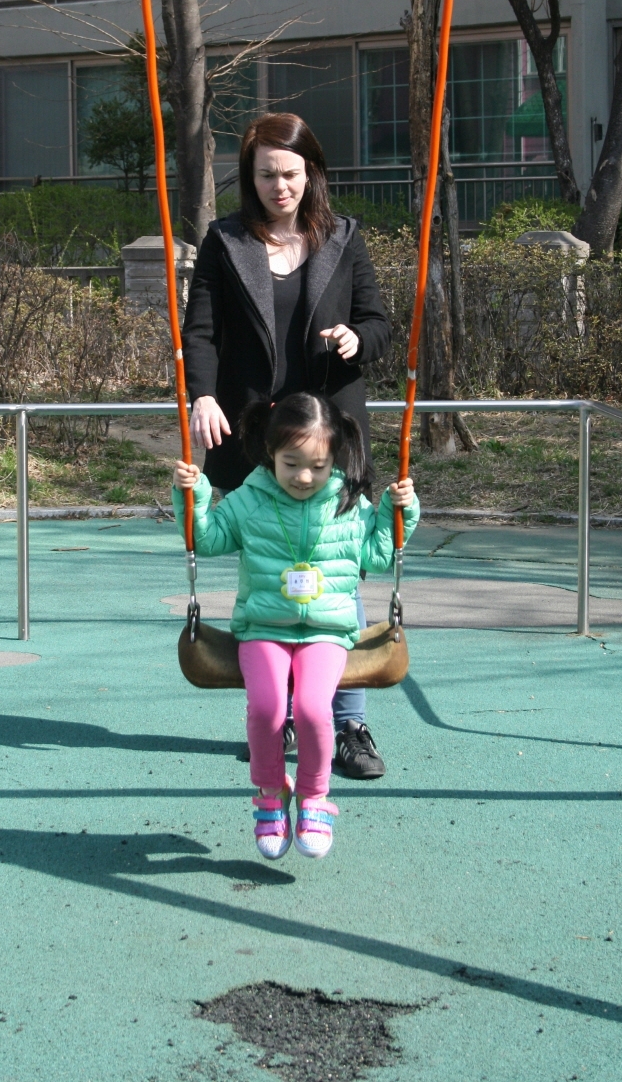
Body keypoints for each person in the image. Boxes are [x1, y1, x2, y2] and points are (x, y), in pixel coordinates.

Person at [182, 112, 393, 781]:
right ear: (250, 178)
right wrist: (202, 395)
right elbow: (200, 331)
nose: (281, 187)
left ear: (312, 173)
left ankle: (347, 720)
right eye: (267, 174)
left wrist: (357, 340)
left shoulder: (344, 237)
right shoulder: (225, 241)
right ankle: (276, 715)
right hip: (255, 431)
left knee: (340, 566)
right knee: (268, 567)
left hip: (331, 429)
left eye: (292, 173)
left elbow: (378, 322)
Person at [174, 393, 419, 860]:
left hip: (326, 630)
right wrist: (195, 496)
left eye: (318, 466)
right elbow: (206, 539)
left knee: (311, 709)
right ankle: (271, 794)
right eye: (291, 464)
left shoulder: (348, 504)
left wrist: (396, 512)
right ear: (271, 454)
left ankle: (313, 796)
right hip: (263, 627)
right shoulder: (250, 500)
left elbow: (379, 556)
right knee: (268, 711)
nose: (304, 477)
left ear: (334, 460)